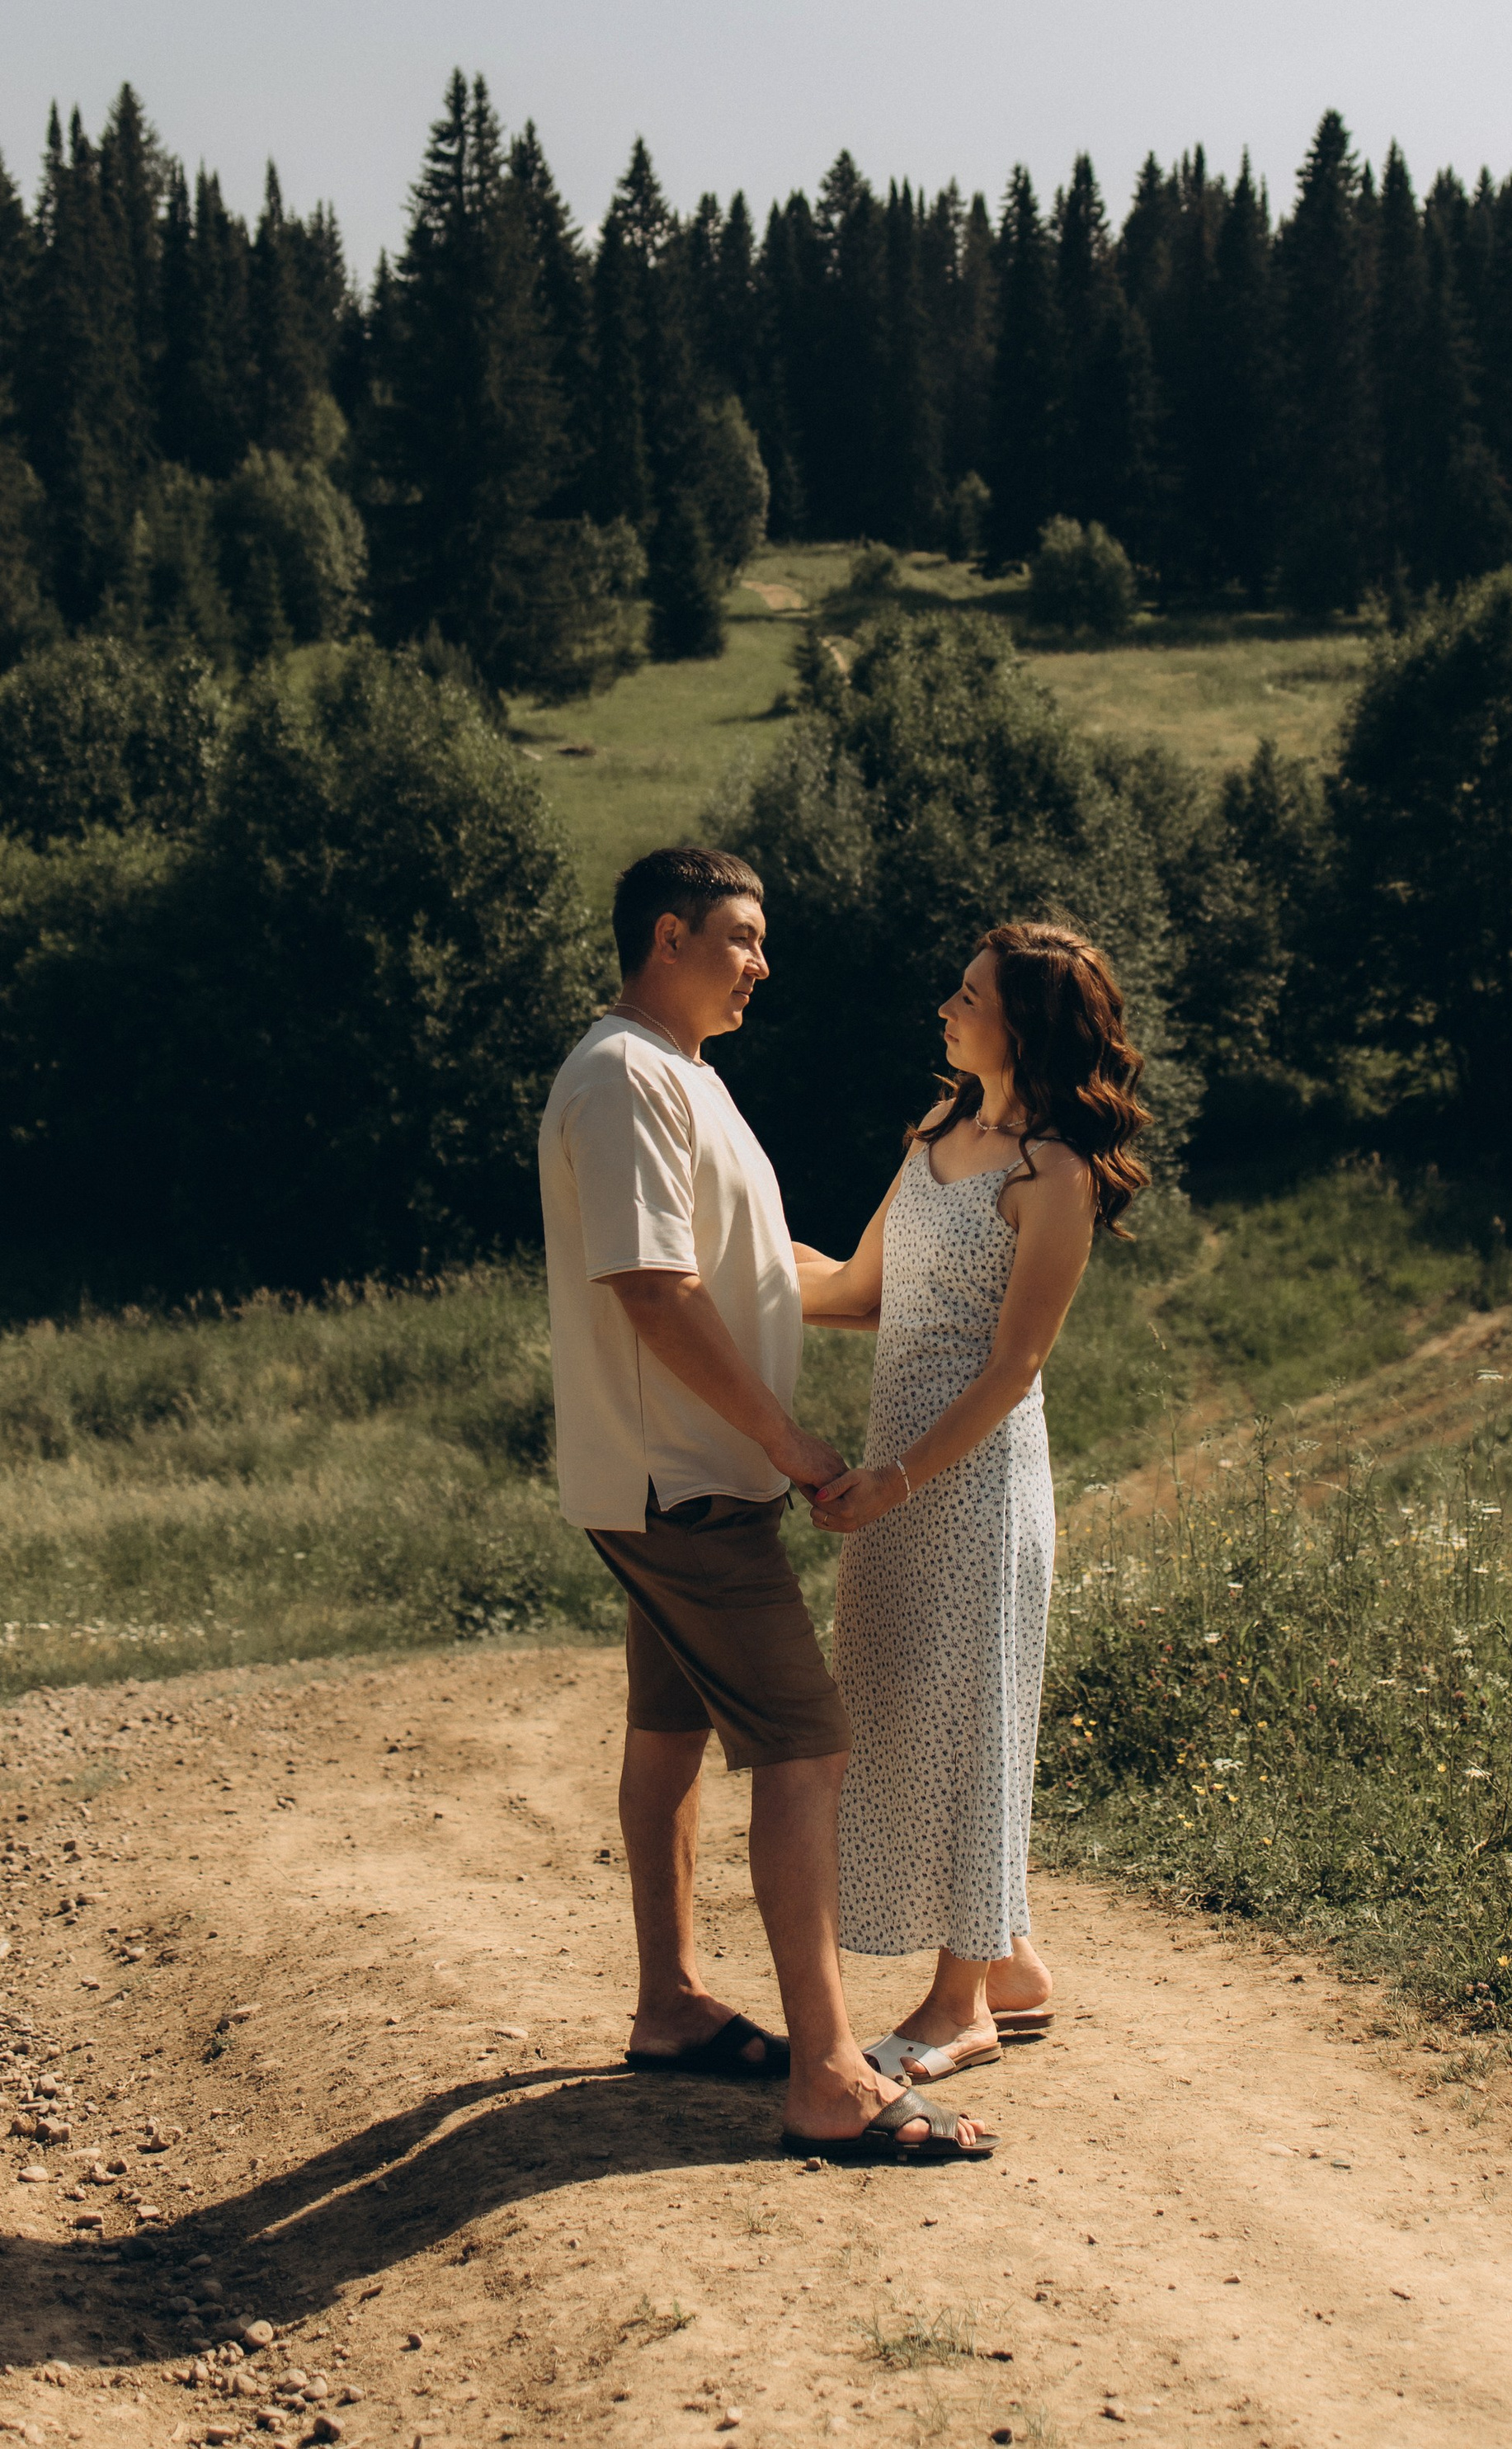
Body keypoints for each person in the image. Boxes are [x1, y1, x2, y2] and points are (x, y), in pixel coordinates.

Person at [538, 843, 994, 2162]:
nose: (762, 962)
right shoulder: (624, 1076)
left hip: (683, 1476)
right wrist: (788, 1440)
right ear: (668, 935)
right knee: (807, 1745)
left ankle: (672, 2001)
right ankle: (830, 2076)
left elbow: (740, 1265)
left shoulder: (683, 1073)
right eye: (743, 936)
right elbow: (653, 1289)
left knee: (668, 1725)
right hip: (678, 1482)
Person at [795, 920, 1148, 2084]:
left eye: (969, 995)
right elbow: (861, 1290)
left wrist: (896, 1477)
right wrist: (720, 1272)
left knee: (969, 1724)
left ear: (1024, 1024)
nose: (946, 1008)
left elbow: (1014, 1366)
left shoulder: (1057, 1174)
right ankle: (1015, 1965)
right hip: (895, 1475)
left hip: (973, 1484)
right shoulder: (938, 1129)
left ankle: (961, 2007)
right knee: (904, 1711)